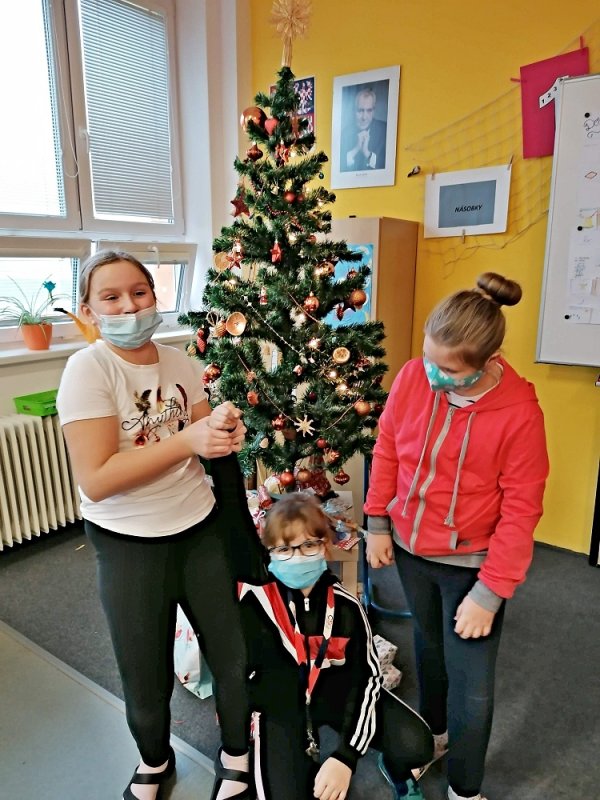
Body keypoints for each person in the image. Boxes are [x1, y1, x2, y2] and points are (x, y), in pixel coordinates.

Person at [56, 250, 253, 800]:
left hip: (198, 527)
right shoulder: (88, 371)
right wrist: (188, 440)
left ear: (154, 296)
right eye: (111, 297)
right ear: (89, 311)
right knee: (143, 671)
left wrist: (221, 429)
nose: (129, 306)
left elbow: (201, 432)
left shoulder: (180, 361)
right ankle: (155, 761)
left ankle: (237, 753)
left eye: (139, 293)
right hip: (128, 543)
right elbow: (97, 479)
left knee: (231, 654)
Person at [364, 273, 549, 800]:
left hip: (472, 565)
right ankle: (435, 739)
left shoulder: (519, 415)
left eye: (447, 369)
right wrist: (378, 521)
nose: (431, 374)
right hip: (410, 549)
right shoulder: (413, 377)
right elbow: (387, 447)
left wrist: (491, 592)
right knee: (428, 649)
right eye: (428, 358)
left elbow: (521, 510)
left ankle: (465, 789)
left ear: (488, 362)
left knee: (473, 684)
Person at [240, 492, 434, 800]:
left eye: (309, 545)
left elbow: (368, 680)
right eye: (285, 548)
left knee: (416, 744)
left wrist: (346, 755)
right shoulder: (254, 603)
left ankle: (395, 768)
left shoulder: (346, 607)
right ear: (270, 554)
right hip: (282, 706)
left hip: (337, 695)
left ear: (325, 547)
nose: (297, 557)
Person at [340, 87, 387, 172]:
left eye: (369, 110)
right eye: (360, 110)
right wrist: (356, 149)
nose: (364, 117)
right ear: (354, 110)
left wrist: (367, 153)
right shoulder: (344, 133)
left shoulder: (385, 130)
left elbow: (387, 168)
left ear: (374, 110)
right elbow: (339, 167)